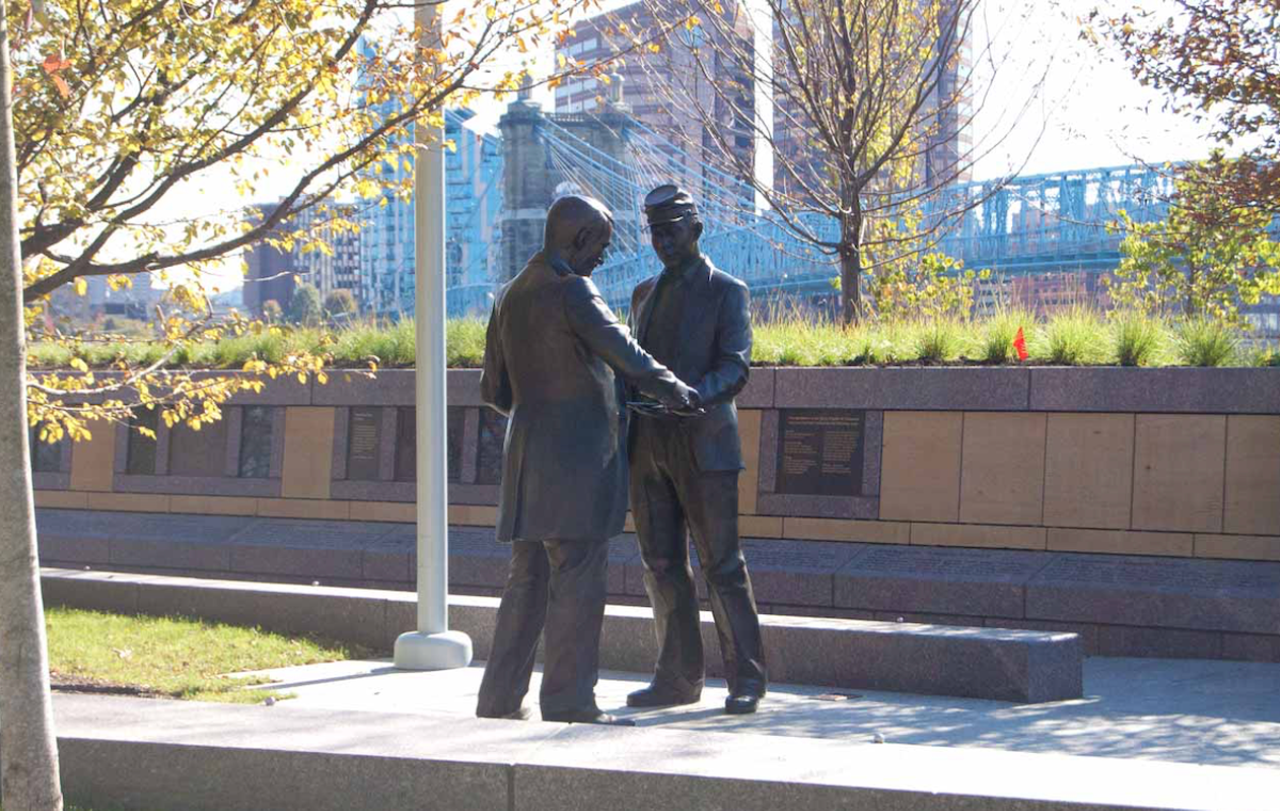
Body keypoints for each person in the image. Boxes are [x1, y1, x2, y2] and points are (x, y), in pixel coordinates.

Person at [475, 194, 697, 726]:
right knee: (577, 579)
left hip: (525, 466)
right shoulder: (574, 291)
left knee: (525, 583)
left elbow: (495, 392)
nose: (604, 256)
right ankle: (569, 700)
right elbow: (627, 353)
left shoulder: (508, 295)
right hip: (575, 468)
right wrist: (678, 391)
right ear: (578, 240)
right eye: (600, 245)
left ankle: (499, 700)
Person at [625, 184, 767, 715]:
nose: (662, 241)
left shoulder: (728, 291)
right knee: (661, 563)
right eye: (655, 232)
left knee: (723, 567)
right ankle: (677, 677)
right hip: (649, 447)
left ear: (697, 229)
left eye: (672, 230)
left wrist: (691, 398)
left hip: (705, 443)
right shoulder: (641, 295)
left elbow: (735, 366)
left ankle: (746, 678)